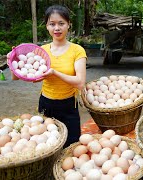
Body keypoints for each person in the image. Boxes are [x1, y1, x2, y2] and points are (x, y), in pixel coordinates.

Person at [7, 5, 87, 147]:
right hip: (46, 104)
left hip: (68, 105)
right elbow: (16, 77)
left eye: (61, 23)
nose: (57, 28)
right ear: (47, 27)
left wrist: (55, 73)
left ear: (69, 25)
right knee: (47, 145)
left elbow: (80, 83)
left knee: (71, 145)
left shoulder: (77, 50)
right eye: (52, 24)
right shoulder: (41, 51)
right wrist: (12, 63)